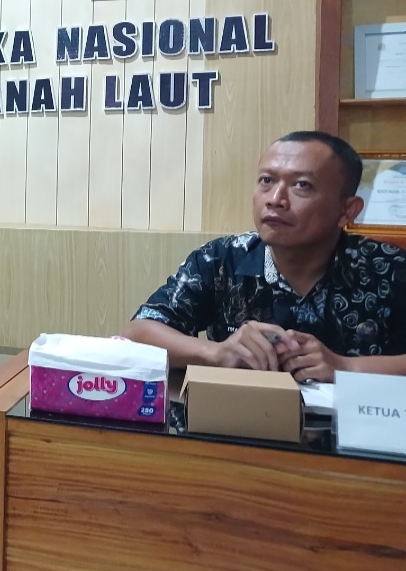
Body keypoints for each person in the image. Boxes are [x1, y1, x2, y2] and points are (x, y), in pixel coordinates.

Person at [123, 131, 406, 383]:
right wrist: (217, 352)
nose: (275, 199)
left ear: (347, 211)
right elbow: (136, 333)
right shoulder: (222, 259)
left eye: (302, 185)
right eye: (267, 181)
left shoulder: (389, 268)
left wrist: (345, 367)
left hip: (353, 425)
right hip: (236, 422)